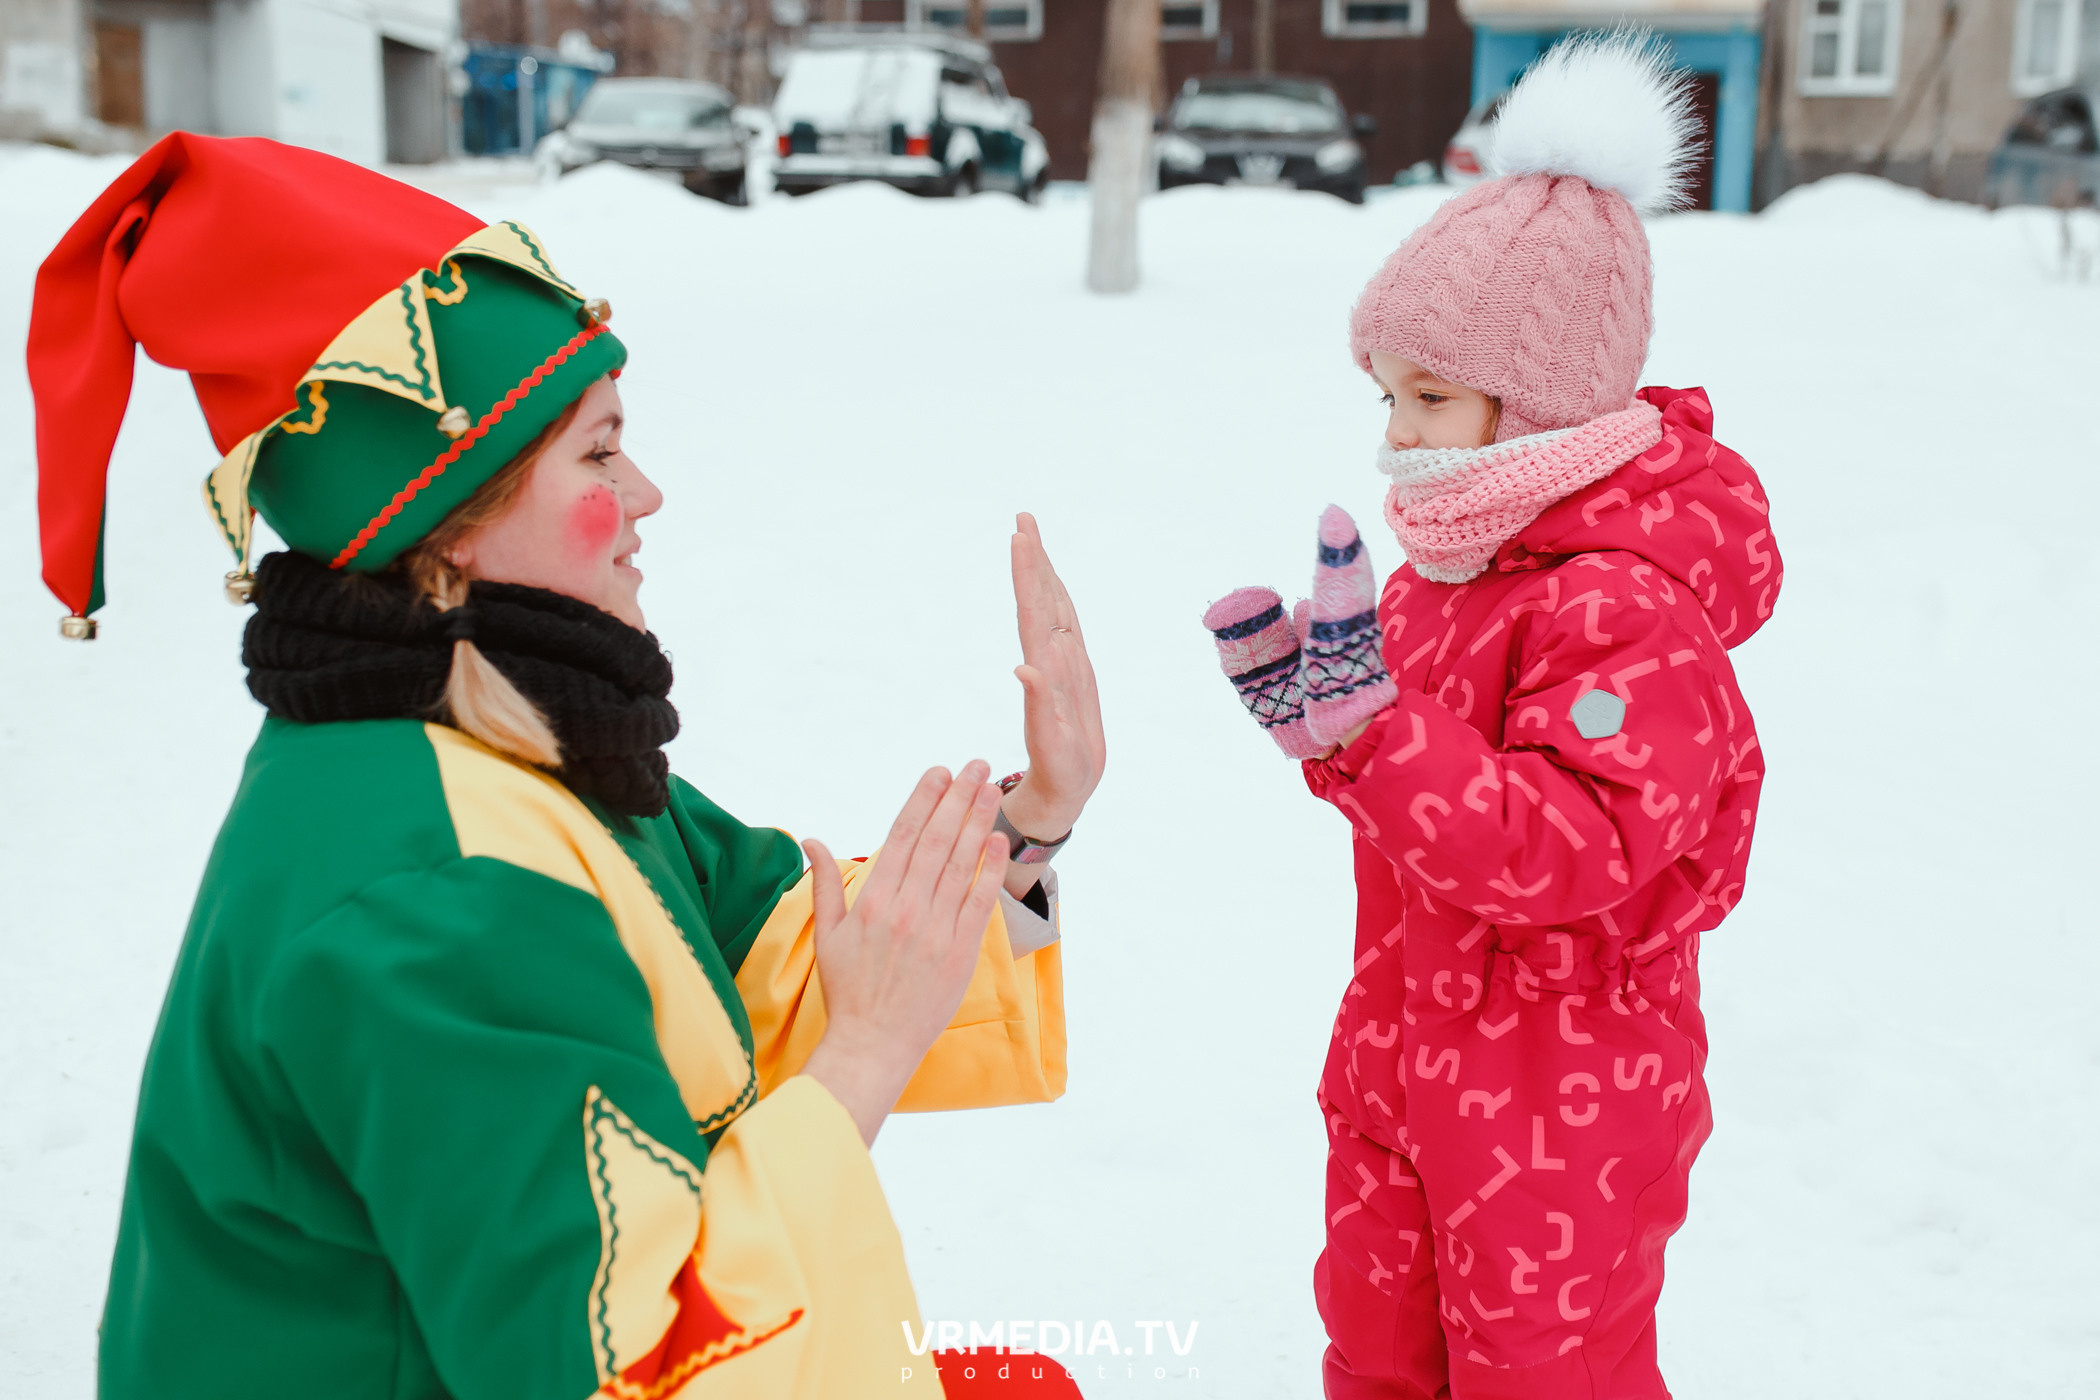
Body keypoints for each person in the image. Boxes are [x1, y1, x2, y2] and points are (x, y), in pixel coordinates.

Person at [29, 134, 1102, 1399]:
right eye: (597, 453)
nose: (647, 491)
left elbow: (757, 949)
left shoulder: (509, 736)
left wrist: (1028, 825)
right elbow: (624, 1367)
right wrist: (860, 1059)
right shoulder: (436, 893)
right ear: (453, 525)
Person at [1201, 36, 1782, 1399]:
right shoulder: (1444, 575)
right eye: (1387, 394)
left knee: (1539, 1374)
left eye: (1433, 399)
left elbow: (1567, 850)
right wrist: (1330, 740)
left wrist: (1375, 736)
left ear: (1539, 407)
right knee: (1379, 1349)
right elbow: (1426, 816)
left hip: (1560, 1100)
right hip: (1403, 1056)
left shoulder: (1626, 610)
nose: (1398, 432)